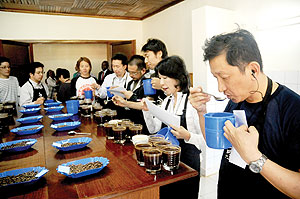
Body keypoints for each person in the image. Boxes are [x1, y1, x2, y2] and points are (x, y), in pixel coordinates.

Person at [188, 29, 300, 198]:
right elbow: (215, 141)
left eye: (224, 77)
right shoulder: (237, 98)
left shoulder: (293, 109)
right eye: (216, 78)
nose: (220, 88)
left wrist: (254, 158)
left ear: (253, 70)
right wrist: (201, 111)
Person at [142, 56, 205, 199]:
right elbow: (154, 129)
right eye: (160, 78)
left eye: (165, 78)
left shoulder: (192, 103)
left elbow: (205, 140)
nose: (161, 83)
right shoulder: (167, 101)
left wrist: (187, 136)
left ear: (177, 77)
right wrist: (147, 110)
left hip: (188, 162)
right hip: (167, 161)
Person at [112, 55, 149, 133]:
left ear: (143, 70)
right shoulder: (130, 83)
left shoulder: (147, 84)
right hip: (130, 120)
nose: (131, 75)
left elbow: (145, 104)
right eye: (129, 72)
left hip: (142, 123)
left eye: (134, 73)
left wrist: (132, 97)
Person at [141, 38, 168, 104]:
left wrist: (161, 86)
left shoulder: (174, 71)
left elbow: (181, 94)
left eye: (147, 56)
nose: (146, 61)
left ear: (159, 54)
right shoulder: (153, 75)